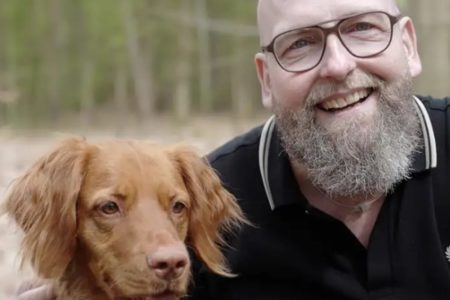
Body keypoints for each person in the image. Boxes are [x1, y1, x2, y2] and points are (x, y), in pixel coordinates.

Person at [15, 0, 450, 299]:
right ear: (265, 78)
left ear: (409, 45)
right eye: (300, 43)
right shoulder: (213, 199)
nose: (338, 65)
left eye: (363, 28)